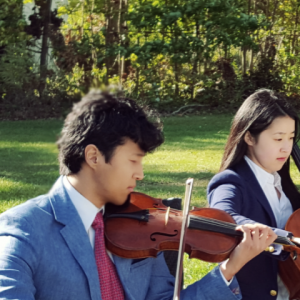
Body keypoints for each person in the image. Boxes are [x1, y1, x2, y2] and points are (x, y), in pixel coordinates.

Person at [0, 89, 276, 300]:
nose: (140, 174)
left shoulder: (140, 226)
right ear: (94, 156)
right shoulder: (22, 229)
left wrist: (230, 266)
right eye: (133, 161)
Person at [207, 89, 300, 300]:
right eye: (278, 139)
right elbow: (222, 216)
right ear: (249, 137)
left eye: (291, 138)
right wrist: (280, 237)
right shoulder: (230, 181)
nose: (287, 148)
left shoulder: (282, 183)